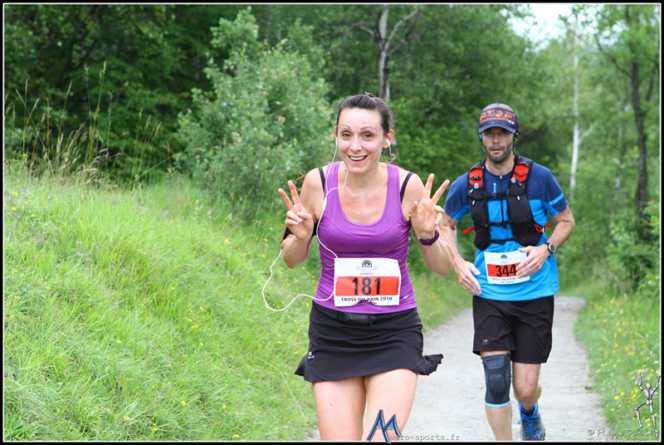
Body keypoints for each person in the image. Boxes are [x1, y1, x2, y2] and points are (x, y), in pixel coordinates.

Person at [277, 93, 454, 441]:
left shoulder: (408, 186)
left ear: (387, 139)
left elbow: (443, 268)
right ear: (336, 136)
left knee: (381, 439)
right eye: (346, 135)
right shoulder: (317, 183)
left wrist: (428, 235)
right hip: (333, 333)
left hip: (394, 332)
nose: (355, 146)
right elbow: (291, 260)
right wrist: (299, 237)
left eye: (367, 135)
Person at [440, 103, 576, 441]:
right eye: (489, 134)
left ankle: (529, 412)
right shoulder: (466, 183)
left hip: (535, 293)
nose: (496, 140)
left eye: (502, 133)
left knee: (524, 389)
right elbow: (445, 225)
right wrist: (458, 263)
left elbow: (566, 221)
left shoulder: (540, 178)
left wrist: (547, 249)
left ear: (514, 136)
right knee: (497, 380)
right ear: (482, 138)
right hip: (489, 293)